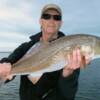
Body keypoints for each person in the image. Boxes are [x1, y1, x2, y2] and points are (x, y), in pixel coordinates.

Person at [0, 4, 91, 100]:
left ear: (61, 23)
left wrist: (68, 72)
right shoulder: (26, 47)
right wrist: (4, 66)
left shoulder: (71, 51)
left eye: (57, 17)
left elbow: (67, 95)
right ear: (40, 21)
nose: (51, 21)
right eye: (46, 16)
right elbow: (9, 61)